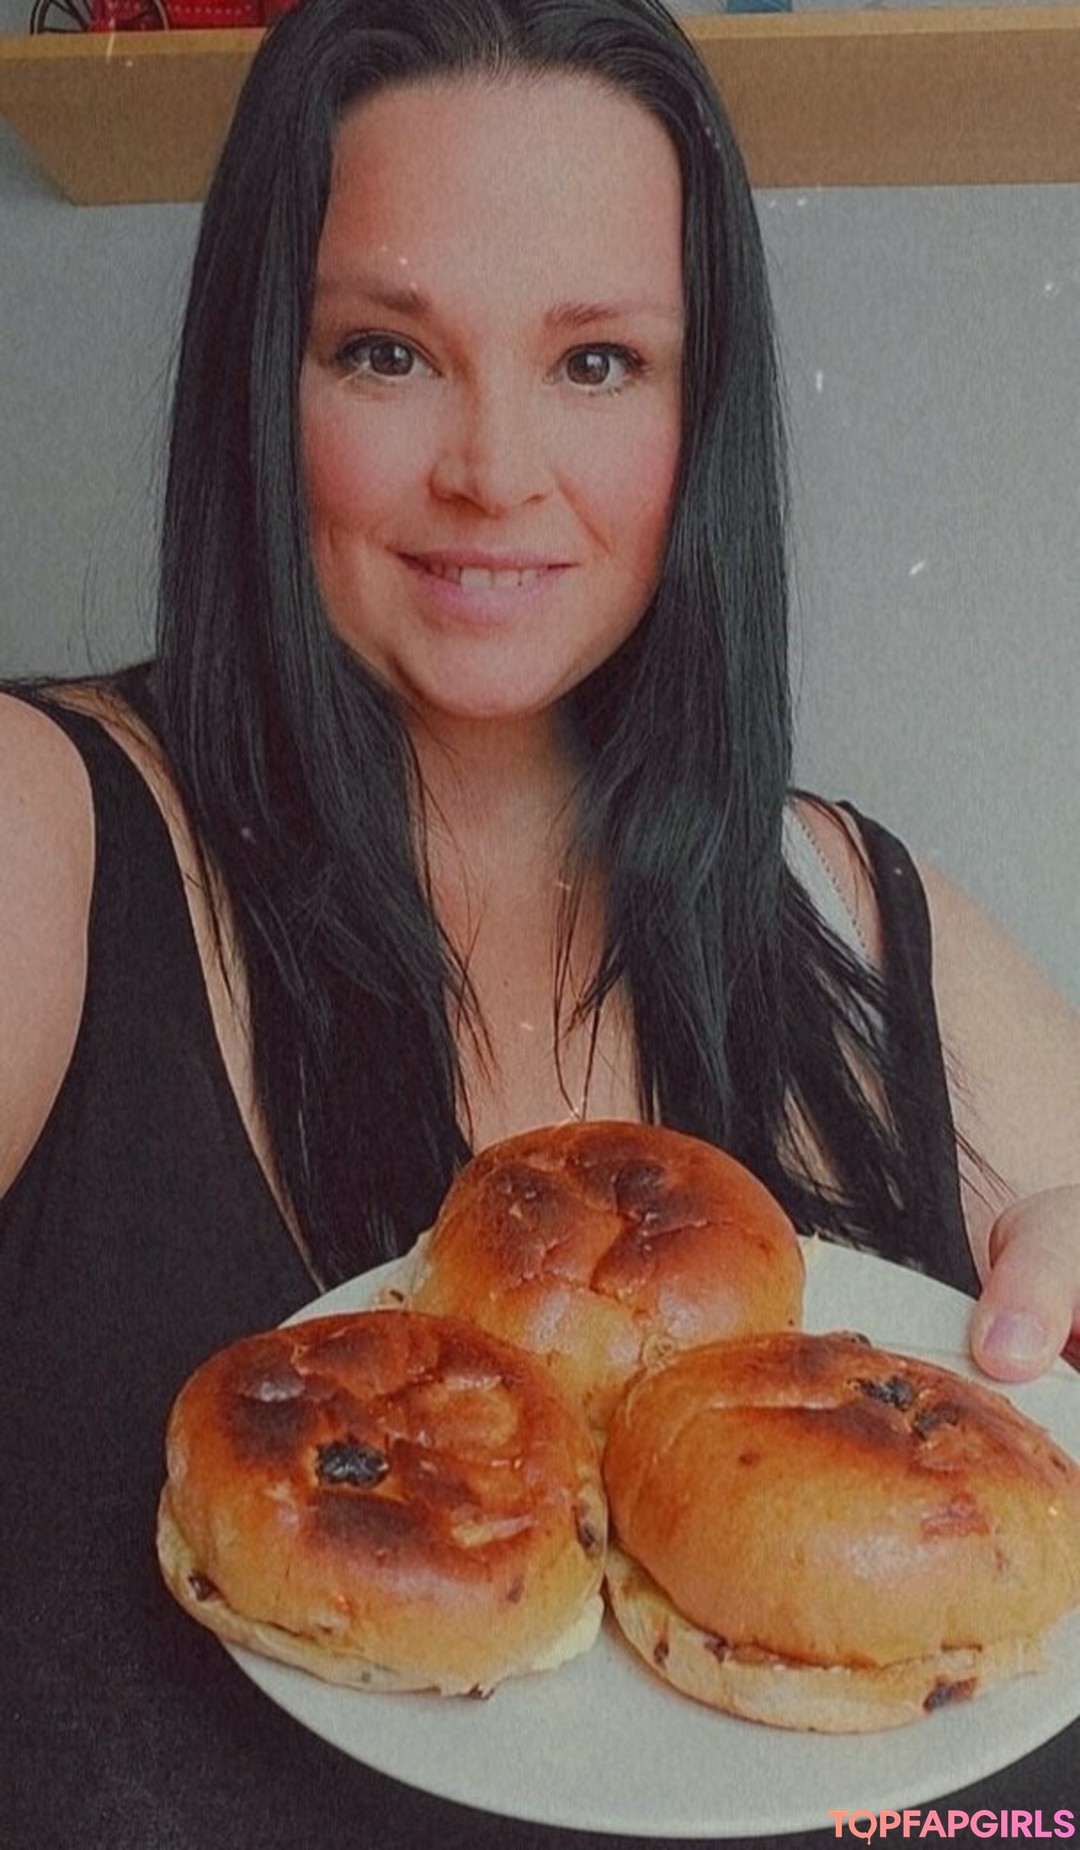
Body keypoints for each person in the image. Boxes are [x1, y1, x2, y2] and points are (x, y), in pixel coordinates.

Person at [1, 0, 1077, 1843]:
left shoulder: (874, 928)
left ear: (698, 410)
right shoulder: (46, 829)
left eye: (595, 360)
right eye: (385, 350)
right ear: (263, 386)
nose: (495, 467)